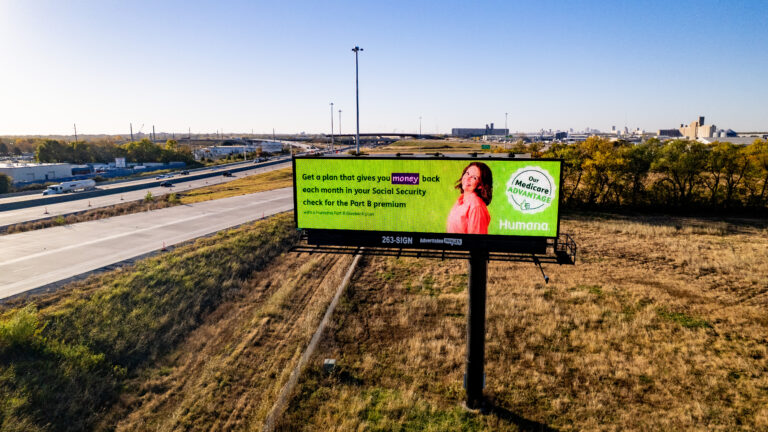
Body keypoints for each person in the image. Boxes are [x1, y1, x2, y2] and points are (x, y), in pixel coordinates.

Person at [446, 162, 492, 234]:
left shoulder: (476, 206)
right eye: (467, 173)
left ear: (480, 185)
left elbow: (476, 242)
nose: (467, 178)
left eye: (474, 178)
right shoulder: (461, 200)